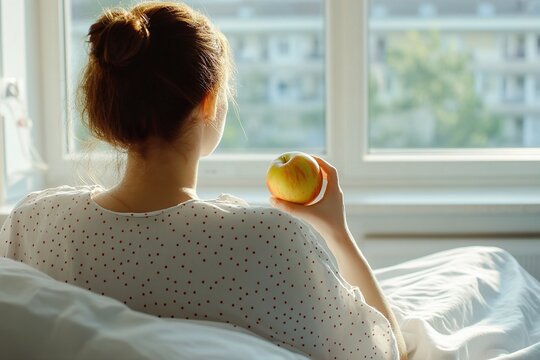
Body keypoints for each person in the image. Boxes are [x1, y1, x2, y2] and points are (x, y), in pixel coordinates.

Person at [0, 2, 407, 359]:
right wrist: (337, 233)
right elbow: (384, 352)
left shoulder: (32, 222)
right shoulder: (269, 243)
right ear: (208, 99)